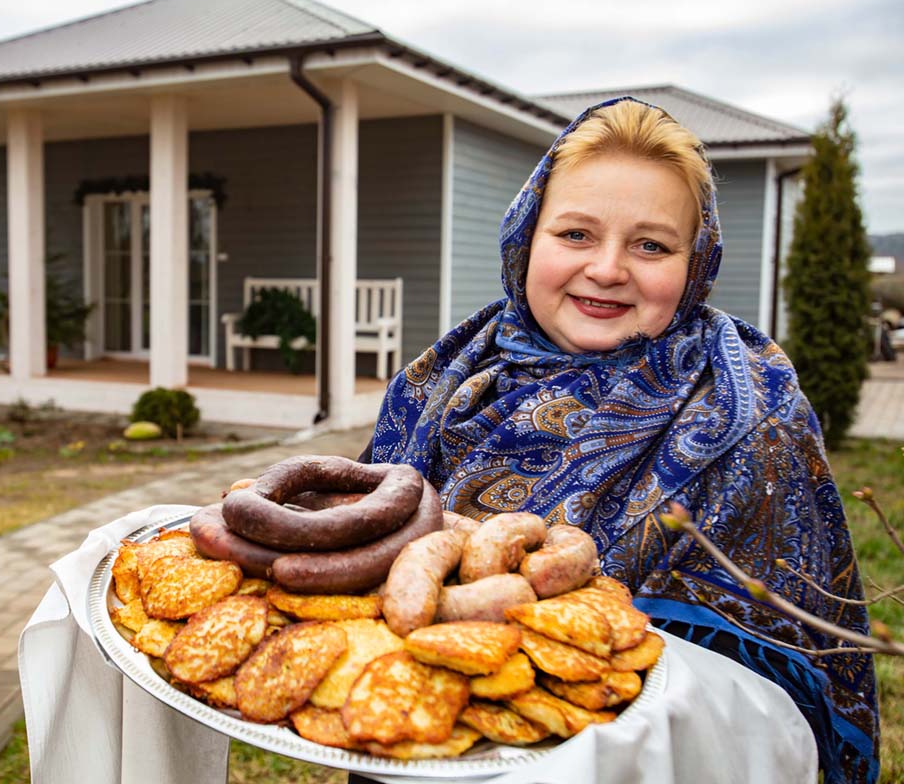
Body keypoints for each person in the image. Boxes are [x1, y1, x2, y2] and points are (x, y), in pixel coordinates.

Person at [363, 98, 879, 783]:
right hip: (404, 732)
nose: (607, 269)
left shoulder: (752, 416)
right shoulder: (443, 379)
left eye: (651, 245)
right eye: (575, 234)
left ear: (695, 265)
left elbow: (759, 704)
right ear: (527, 236)